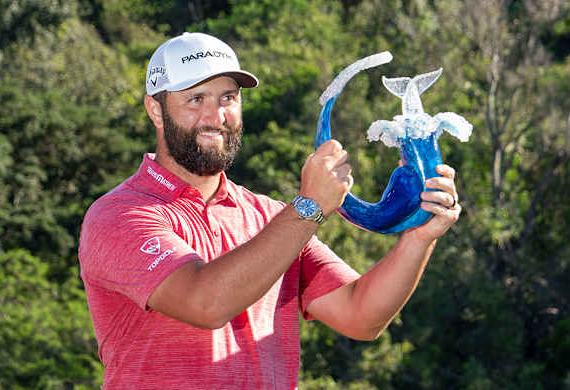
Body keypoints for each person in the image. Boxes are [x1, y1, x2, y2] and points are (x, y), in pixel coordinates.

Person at [78, 32, 461, 390]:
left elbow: (360, 315)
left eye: (228, 98)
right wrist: (310, 207)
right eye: (196, 99)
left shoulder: (268, 216)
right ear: (156, 110)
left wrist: (420, 236)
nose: (216, 116)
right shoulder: (118, 215)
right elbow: (206, 302)